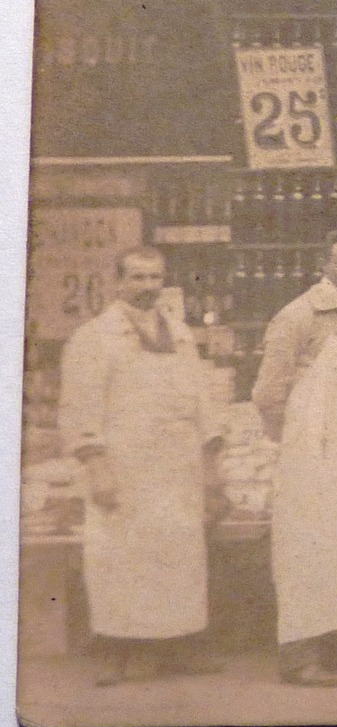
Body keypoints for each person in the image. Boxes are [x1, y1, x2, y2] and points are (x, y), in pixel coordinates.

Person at [57, 246, 226, 686]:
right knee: (121, 559)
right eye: (137, 278)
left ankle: (178, 645)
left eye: (155, 278)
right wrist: (97, 465)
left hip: (176, 467)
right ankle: (122, 651)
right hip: (124, 467)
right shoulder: (94, 338)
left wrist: (210, 460)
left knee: (177, 557)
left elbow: (202, 400)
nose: (147, 286)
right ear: (118, 282)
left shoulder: (181, 334)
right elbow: (79, 408)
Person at [252, 228, 337, 687]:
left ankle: (335, 644)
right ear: (323, 265)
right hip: (307, 453)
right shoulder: (296, 316)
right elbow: (268, 393)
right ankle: (299, 655)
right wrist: (296, 443)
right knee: (304, 551)